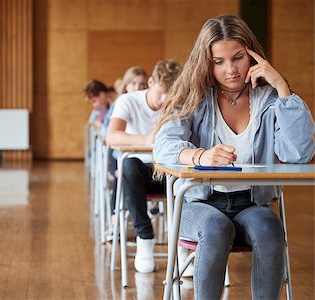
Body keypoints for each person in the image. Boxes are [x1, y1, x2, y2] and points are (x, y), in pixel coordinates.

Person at [153, 15, 314, 299]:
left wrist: (282, 88)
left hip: (250, 203)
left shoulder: (271, 100)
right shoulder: (193, 95)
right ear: (207, 62)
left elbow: (300, 154)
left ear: (252, 55)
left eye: (238, 58)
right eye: (219, 62)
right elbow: (164, 147)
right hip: (198, 203)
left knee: (269, 229)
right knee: (216, 228)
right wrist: (201, 155)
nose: (231, 70)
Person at [106, 60, 181, 273]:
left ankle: (183, 244)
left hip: (169, 172)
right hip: (141, 174)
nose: (165, 100)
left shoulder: (178, 103)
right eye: (161, 92)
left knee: (190, 176)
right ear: (150, 82)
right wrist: (147, 139)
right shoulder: (128, 101)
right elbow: (112, 136)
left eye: (171, 94)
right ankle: (144, 238)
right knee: (129, 164)